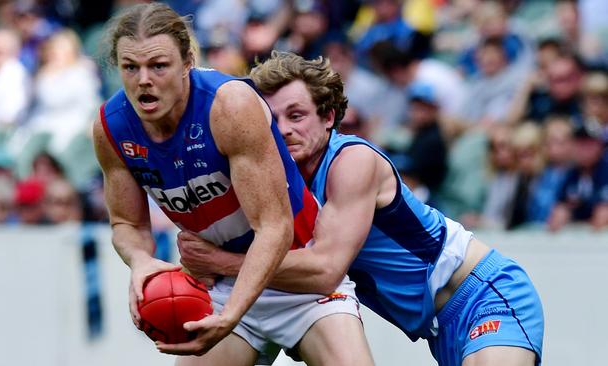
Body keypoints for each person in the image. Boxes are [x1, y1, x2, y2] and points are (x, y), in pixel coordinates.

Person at [178, 51, 545, 365]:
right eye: (272, 119)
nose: (284, 129)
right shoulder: (269, 180)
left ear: (328, 117)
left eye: (296, 115)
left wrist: (219, 262)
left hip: (484, 294)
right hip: (437, 324)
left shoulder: (351, 161)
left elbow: (324, 270)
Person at [92, 3, 373, 365]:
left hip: (299, 279)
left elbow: (274, 228)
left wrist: (231, 315)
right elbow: (127, 224)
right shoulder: (110, 127)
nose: (143, 79)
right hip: (219, 285)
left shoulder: (228, 105)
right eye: (130, 67)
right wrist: (140, 262)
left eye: (158, 66)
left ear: (187, 63)